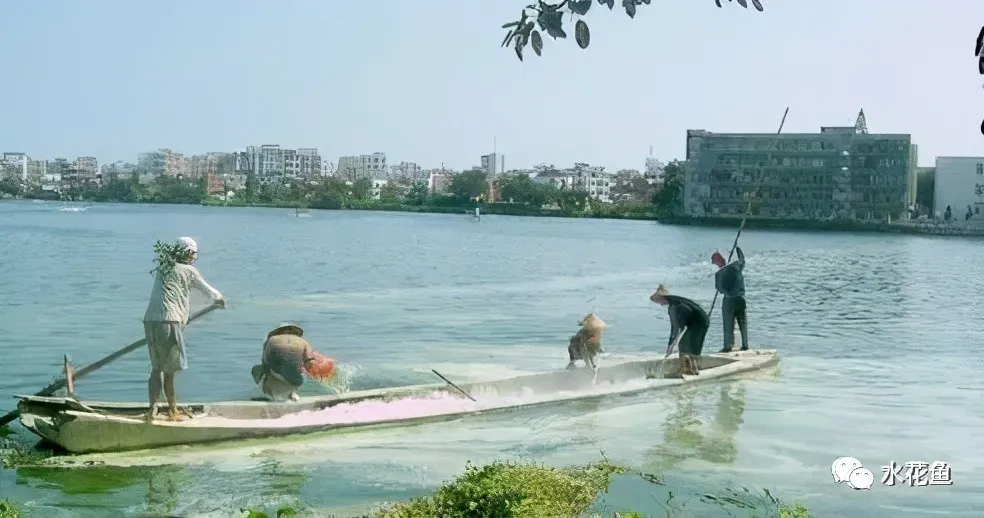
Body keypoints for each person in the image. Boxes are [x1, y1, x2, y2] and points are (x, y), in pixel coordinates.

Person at [142, 236, 225, 422]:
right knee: (170, 370)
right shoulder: (189, 271)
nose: (194, 258)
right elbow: (210, 291)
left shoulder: (163, 268)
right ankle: (172, 411)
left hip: (150, 320)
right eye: (194, 254)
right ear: (188, 253)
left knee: (156, 368)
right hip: (169, 321)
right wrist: (220, 300)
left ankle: (151, 410)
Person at [251, 322, 335, 402]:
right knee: (298, 370)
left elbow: (265, 360)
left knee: (257, 369)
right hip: (296, 380)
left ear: (278, 332)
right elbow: (310, 362)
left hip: (277, 374)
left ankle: (270, 395)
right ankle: (293, 393)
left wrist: (264, 377)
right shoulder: (303, 342)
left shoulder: (271, 340)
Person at [649, 284, 709, 376]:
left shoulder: (674, 307)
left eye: (658, 300)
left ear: (663, 297)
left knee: (685, 345)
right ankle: (691, 369)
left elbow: (676, 329)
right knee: (688, 345)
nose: (659, 304)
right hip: (700, 321)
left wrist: (670, 346)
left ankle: (690, 371)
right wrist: (672, 344)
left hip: (699, 324)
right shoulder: (677, 301)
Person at [711, 246, 748, 353]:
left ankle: (727, 346)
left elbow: (720, 290)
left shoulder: (719, 274)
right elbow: (742, 260)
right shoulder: (737, 265)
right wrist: (738, 250)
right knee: (743, 323)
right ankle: (745, 345)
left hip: (729, 301)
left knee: (728, 325)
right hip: (741, 299)